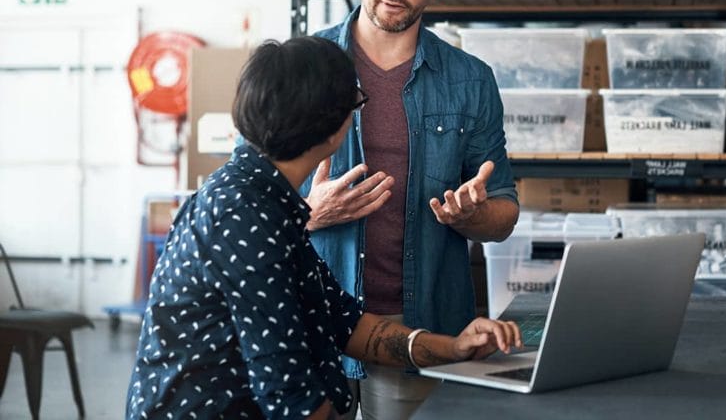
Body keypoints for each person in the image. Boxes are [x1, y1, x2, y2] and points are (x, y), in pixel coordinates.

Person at [126, 37, 521, 420]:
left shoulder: (265, 200)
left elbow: (347, 323)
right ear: (332, 128)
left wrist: (455, 347)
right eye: (357, 104)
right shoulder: (244, 217)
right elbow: (290, 396)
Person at [300, 0, 520, 419]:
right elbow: (243, 205)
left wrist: (473, 216)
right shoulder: (301, 67)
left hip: (422, 327)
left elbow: (504, 215)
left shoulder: (470, 79)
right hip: (310, 316)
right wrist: (311, 212)